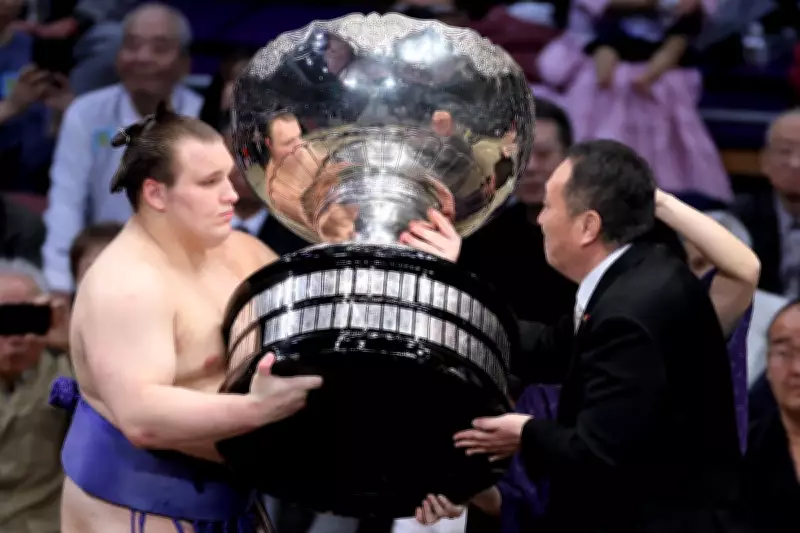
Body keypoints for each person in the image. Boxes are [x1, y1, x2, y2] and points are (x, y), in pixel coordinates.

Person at [53, 103, 462, 533]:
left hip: (238, 494)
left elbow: (329, 327)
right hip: (135, 507)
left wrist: (417, 268)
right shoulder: (126, 285)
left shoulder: (239, 250)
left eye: (227, 176)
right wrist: (255, 408)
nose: (231, 194)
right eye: (209, 182)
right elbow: (142, 418)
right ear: (156, 194)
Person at [416, 139, 748, 532]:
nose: (540, 220)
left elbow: (597, 454)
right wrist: (452, 283)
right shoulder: (644, 269)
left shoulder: (628, 314)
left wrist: (524, 431)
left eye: (549, 206)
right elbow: (546, 348)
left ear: (588, 225)